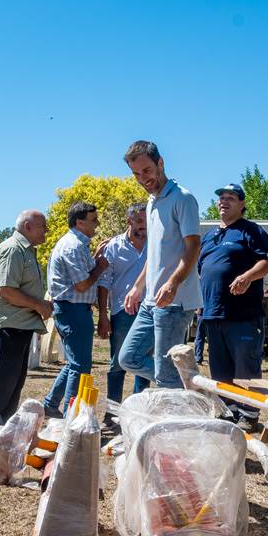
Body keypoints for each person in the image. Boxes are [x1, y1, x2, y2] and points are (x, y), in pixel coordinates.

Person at [118, 140, 202, 389]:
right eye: (136, 174)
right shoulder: (151, 202)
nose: (142, 178)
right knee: (128, 358)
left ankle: (180, 389)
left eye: (146, 170)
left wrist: (173, 283)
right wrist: (137, 286)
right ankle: (187, 384)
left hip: (175, 303)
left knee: (165, 376)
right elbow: (154, 254)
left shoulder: (182, 198)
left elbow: (193, 247)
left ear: (160, 163)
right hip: (151, 301)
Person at [0, 210, 52, 435]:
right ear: (28, 226)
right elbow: (6, 290)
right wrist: (39, 305)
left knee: (14, 379)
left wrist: (40, 304)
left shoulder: (25, 249)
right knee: (5, 378)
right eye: (43, 226)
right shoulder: (13, 249)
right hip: (9, 321)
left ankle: (2, 425)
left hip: (19, 322)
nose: (46, 230)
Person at [197, 183, 268, 417]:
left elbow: (266, 262)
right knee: (220, 372)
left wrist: (247, 277)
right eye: (221, 197)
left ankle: (249, 415)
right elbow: (201, 272)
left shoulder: (251, 231)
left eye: (230, 197)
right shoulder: (209, 237)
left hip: (243, 316)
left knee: (246, 370)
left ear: (242, 204)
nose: (224, 201)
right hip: (213, 315)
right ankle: (228, 413)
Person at [43, 202, 109, 416]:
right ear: (79, 223)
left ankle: (51, 404)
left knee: (74, 363)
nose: (97, 223)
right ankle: (70, 416)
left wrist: (95, 259)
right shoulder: (74, 246)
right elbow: (82, 285)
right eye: (93, 220)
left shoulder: (75, 244)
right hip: (73, 310)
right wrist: (100, 267)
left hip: (72, 309)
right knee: (80, 366)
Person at [96, 202, 149, 405]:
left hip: (148, 309)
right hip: (122, 311)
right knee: (117, 363)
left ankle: (138, 409)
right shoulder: (114, 246)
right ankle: (113, 410)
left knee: (143, 362)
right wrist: (103, 314)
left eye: (147, 220)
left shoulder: (156, 244)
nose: (143, 225)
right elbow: (104, 283)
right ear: (129, 221)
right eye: (139, 220)